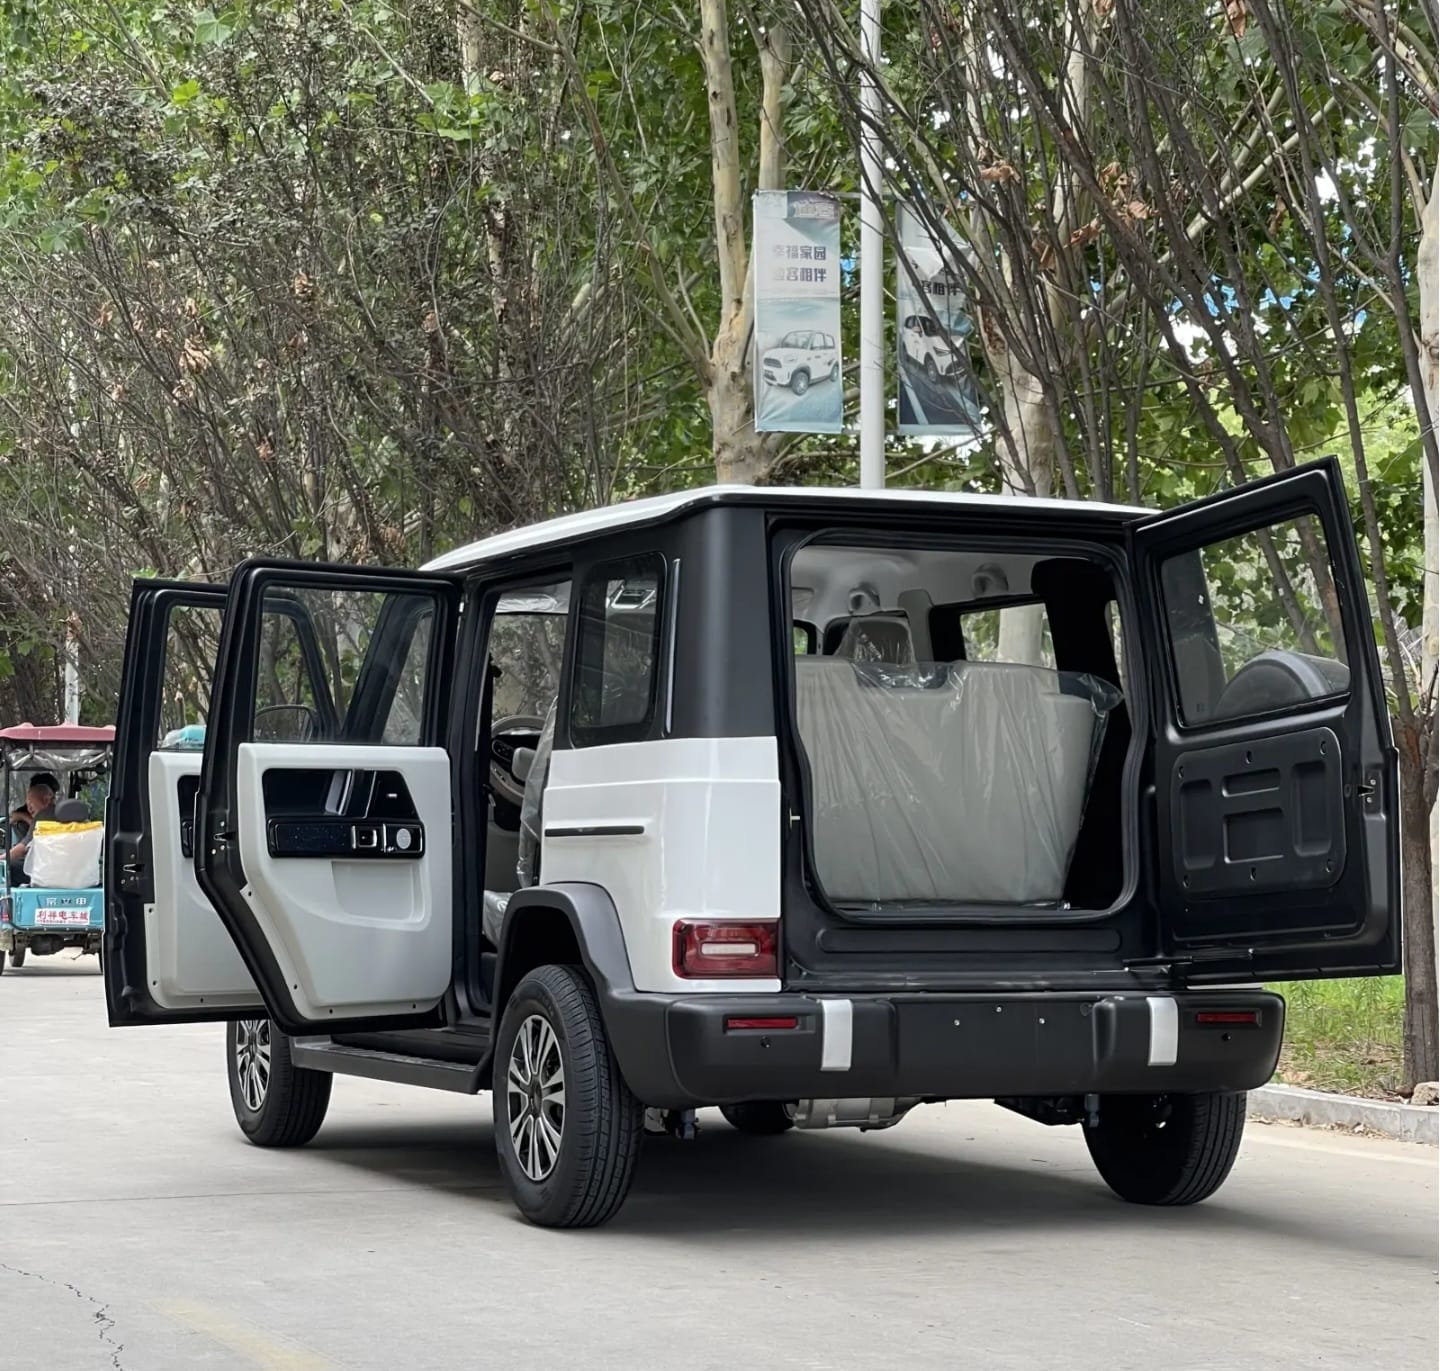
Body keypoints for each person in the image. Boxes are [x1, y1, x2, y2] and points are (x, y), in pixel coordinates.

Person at [7, 780, 57, 885]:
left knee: (8, 869)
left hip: (46, 871)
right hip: (66, 870)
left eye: (31, 803)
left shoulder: (43, 816)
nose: (28, 808)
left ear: (46, 800)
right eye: (27, 804)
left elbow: (22, 849)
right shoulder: (69, 817)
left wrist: (2, 858)